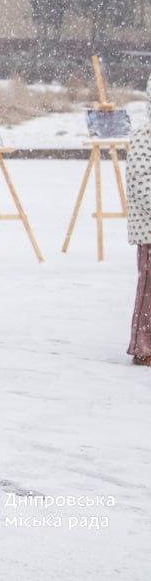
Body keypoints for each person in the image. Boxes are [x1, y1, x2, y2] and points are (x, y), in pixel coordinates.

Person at [125, 76, 151, 366]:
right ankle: (144, 345)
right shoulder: (145, 135)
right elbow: (141, 181)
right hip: (149, 229)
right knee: (150, 290)